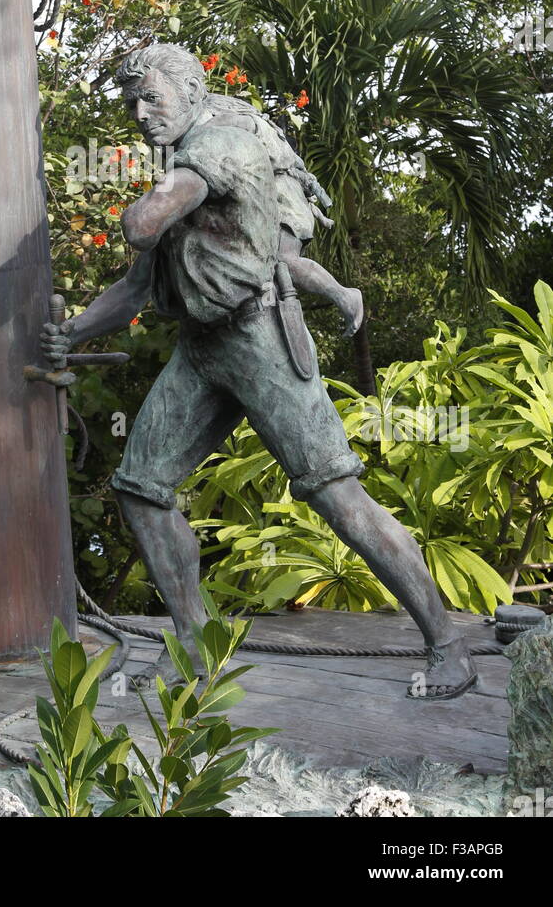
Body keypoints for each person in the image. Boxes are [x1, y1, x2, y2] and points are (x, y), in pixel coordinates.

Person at [41, 43, 477, 698]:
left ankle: (448, 648)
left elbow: (142, 225)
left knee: (339, 501)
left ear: (190, 93)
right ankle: (192, 646)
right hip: (202, 349)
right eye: (131, 102)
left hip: (262, 340)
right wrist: (68, 334)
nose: (138, 113)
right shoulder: (179, 160)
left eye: (151, 97)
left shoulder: (219, 149)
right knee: (142, 487)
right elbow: (134, 288)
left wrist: (143, 207)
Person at [204, 92, 363, 337]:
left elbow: (237, 128)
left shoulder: (252, 125)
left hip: (285, 201)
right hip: (261, 205)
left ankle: (345, 295)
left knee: (285, 258)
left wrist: (198, 132)